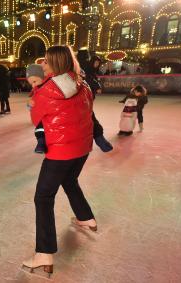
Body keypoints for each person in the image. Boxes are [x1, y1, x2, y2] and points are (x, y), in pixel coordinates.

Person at [22, 46, 97, 276]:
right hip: (82, 147)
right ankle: (86, 218)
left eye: (45, 62)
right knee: (70, 180)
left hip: (61, 152)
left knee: (43, 197)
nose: (42, 65)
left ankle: (44, 253)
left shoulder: (45, 90)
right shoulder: (83, 85)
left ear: (54, 63)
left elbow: (36, 119)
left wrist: (33, 99)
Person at [83, 56, 113, 152]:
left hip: (87, 99)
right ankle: (100, 140)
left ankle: (100, 139)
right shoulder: (86, 70)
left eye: (98, 63)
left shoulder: (93, 72)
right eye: (95, 62)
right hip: (82, 99)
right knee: (89, 118)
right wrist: (97, 86)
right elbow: (88, 79)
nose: (96, 65)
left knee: (90, 118)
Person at [26, 64, 46, 153]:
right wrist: (29, 104)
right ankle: (41, 142)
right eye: (31, 83)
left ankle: (41, 143)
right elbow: (31, 103)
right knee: (39, 130)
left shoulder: (47, 88)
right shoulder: (35, 90)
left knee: (41, 130)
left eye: (35, 81)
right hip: (38, 115)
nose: (33, 85)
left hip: (46, 115)